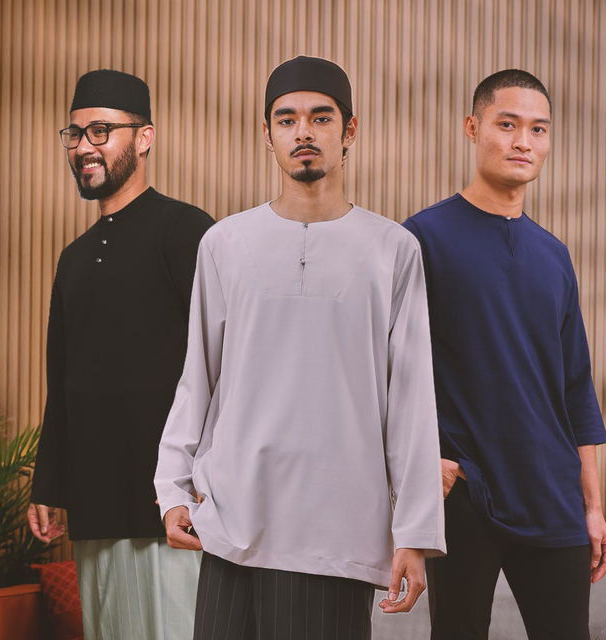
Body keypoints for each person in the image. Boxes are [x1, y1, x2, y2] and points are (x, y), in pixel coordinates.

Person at [153, 56, 445, 640]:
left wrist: (414, 533)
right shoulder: (224, 243)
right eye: (286, 120)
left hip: (336, 530)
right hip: (232, 519)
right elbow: (198, 377)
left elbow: (411, 401)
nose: (303, 132)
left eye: (321, 117)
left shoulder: (393, 250)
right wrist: (171, 487)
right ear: (268, 134)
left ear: (350, 130)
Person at [402, 69, 606, 640]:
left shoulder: (554, 255)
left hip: (551, 492)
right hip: (466, 493)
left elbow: (576, 388)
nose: (524, 141)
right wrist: (422, 464)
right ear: (473, 128)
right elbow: (390, 371)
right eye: (508, 124)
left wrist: (592, 507)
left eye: (538, 129)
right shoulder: (421, 238)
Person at [27, 68, 214, 640]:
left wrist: (210, 474)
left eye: (101, 131)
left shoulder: (187, 231)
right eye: (75, 134)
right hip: (96, 497)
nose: (84, 147)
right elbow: (63, 377)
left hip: (172, 500)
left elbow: (225, 361)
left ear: (145, 137)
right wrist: (48, 484)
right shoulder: (74, 257)